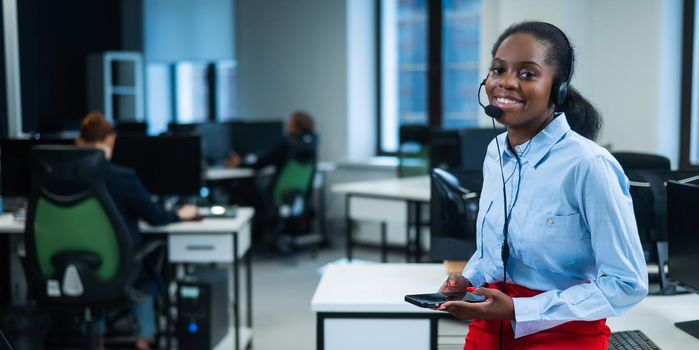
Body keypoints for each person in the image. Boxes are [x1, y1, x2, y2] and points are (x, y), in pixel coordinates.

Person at [438, 21, 648, 349]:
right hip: (490, 326)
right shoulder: (495, 153)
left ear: (558, 89)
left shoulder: (588, 165)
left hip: (563, 334)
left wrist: (522, 310)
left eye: (527, 74)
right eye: (498, 70)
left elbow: (627, 283)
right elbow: (492, 247)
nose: (506, 83)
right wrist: (469, 278)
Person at [76, 112, 198, 350]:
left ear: (78, 142)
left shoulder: (68, 179)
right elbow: (155, 217)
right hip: (120, 266)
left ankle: (95, 339)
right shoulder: (123, 178)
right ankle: (143, 339)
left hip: (78, 266)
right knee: (148, 270)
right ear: (111, 140)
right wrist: (180, 214)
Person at [224, 111, 317, 170]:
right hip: (296, 191)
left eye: (290, 122)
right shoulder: (312, 142)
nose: (287, 125)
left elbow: (261, 162)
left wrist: (240, 163)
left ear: (295, 126)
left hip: (279, 191)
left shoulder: (287, 143)